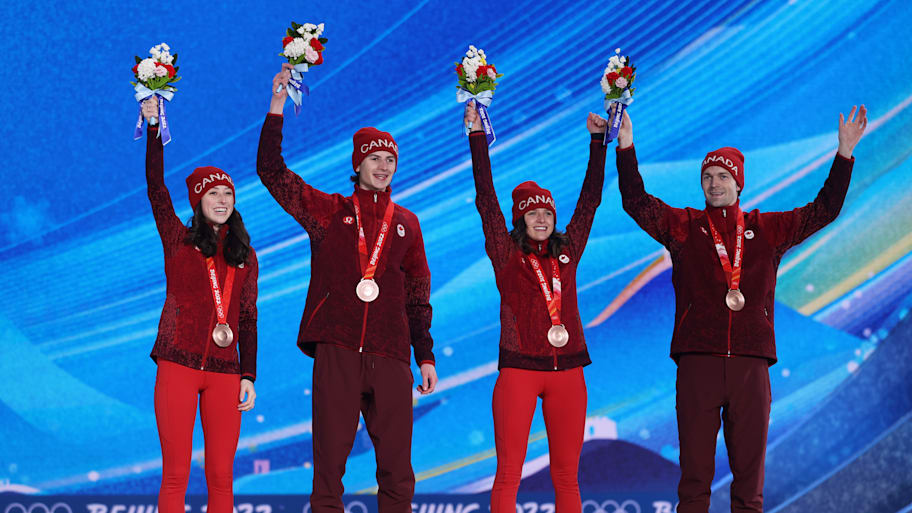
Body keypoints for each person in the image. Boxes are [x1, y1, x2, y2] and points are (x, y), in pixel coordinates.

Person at [613, 105, 867, 512]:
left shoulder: (768, 230)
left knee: (749, 487)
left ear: (739, 182)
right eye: (708, 177)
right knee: (694, 482)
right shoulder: (684, 227)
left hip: (751, 365)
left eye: (723, 176)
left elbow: (824, 210)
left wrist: (844, 154)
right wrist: (625, 146)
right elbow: (636, 202)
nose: (715, 184)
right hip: (698, 362)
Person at [256, 63, 438, 513]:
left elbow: (418, 294)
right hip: (337, 348)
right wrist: (277, 106)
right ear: (357, 164)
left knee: (398, 470)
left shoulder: (407, 224)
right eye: (374, 158)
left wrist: (426, 354)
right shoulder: (328, 212)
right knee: (328, 469)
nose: (383, 166)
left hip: (392, 354)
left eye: (390, 159)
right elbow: (272, 172)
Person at [464, 101, 608, 513]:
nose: (542, 219)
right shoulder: (505, 253)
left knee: (567, 475)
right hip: (519, 371)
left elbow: (590, 202)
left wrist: (597, 142)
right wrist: (476, 137)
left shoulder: (568, 251)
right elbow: (485, 198)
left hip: (569, 371)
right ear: (520, 219)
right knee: (509, 472)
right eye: (533, 213)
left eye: (547, 212)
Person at [142, 96, 258, 513]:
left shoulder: (245, 253)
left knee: (222, 477)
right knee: (176, 473)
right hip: (178, 364)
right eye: (214, 193)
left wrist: (249, 374)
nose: (223, 199)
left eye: (228, 192)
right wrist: (154, 130)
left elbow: (246, 316)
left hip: (227, 373)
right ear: (197, 199)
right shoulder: (179, 240)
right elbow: (156, 188)